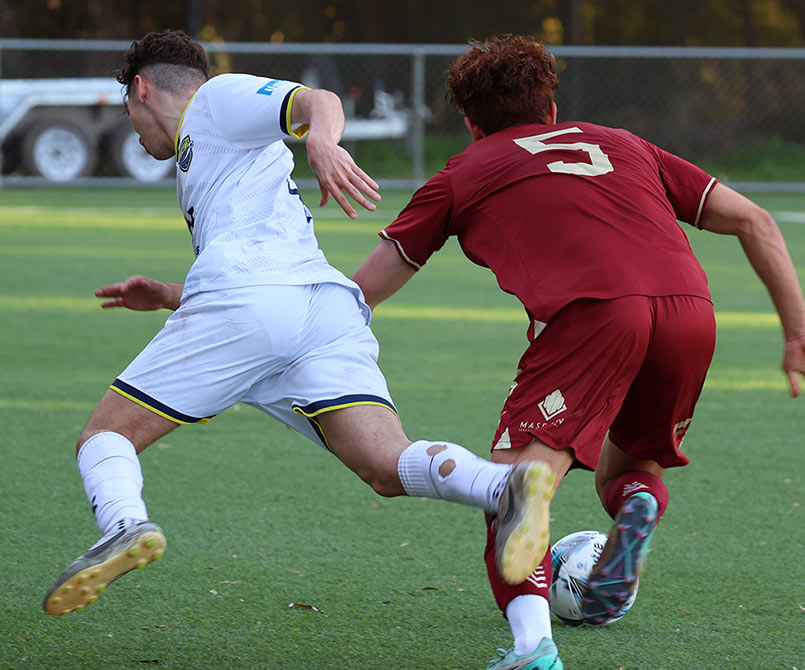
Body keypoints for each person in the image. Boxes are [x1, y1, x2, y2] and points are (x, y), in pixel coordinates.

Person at [351, 35, 805, 670]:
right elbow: (754, 220)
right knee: (627, 469)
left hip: (593, 315)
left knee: (515, 491)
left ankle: (531, 651)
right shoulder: (621, 143)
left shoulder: (462, 172)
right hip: (689, 310)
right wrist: (798, 332)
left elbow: (366, 288)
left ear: (471, 121)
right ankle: (637, 506)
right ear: (552, 109)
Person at [42, 29, 556, 618]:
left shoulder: (214, 99)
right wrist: (171, 294)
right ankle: (504, 488)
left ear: (141, 89)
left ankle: (123, 526)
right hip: (317, 309)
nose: (133, 128)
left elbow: (319, 103)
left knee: (104, 438)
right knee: (387, 465)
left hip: (256, 304)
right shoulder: (207, 147)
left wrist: (325, 145)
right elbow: (264, 263)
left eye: (129, 113)